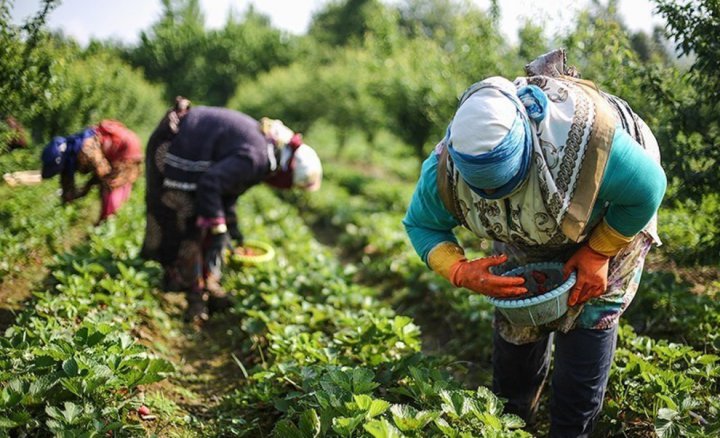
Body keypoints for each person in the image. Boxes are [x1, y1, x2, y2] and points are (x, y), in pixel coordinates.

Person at [402, 50, 666, 437]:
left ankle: (570, 429)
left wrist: (597, 253)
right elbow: (422, 225)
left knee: (587, 325)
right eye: (485, 190)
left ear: (526, 145)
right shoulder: (444, 167)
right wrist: (459, 271)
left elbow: (648, 189)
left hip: (609, 218)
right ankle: (512, 423)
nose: (494, 192)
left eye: (506, 182)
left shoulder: (586, 143)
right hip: (523, 231)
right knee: (518, 325)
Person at [141, 98, 322, 324]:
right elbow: (211, 183)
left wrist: (232, 229)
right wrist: (217, 225)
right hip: (175, 146)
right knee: (189, 227)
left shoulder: (265, 153)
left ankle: (207, 283)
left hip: (192, 151)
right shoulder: (257, 158)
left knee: (209, 228)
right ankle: (194, 296)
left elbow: (228, 191)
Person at [40, 120, 143, 223]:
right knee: (106, 183)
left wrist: (86, 187)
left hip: (126, 149)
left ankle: (107, 225)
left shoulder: (86, 149)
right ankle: (108, 222)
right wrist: (69, 199)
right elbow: (67, 184)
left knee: (110, 186)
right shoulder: (70, 151)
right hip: (119, 148)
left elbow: (103, 173)